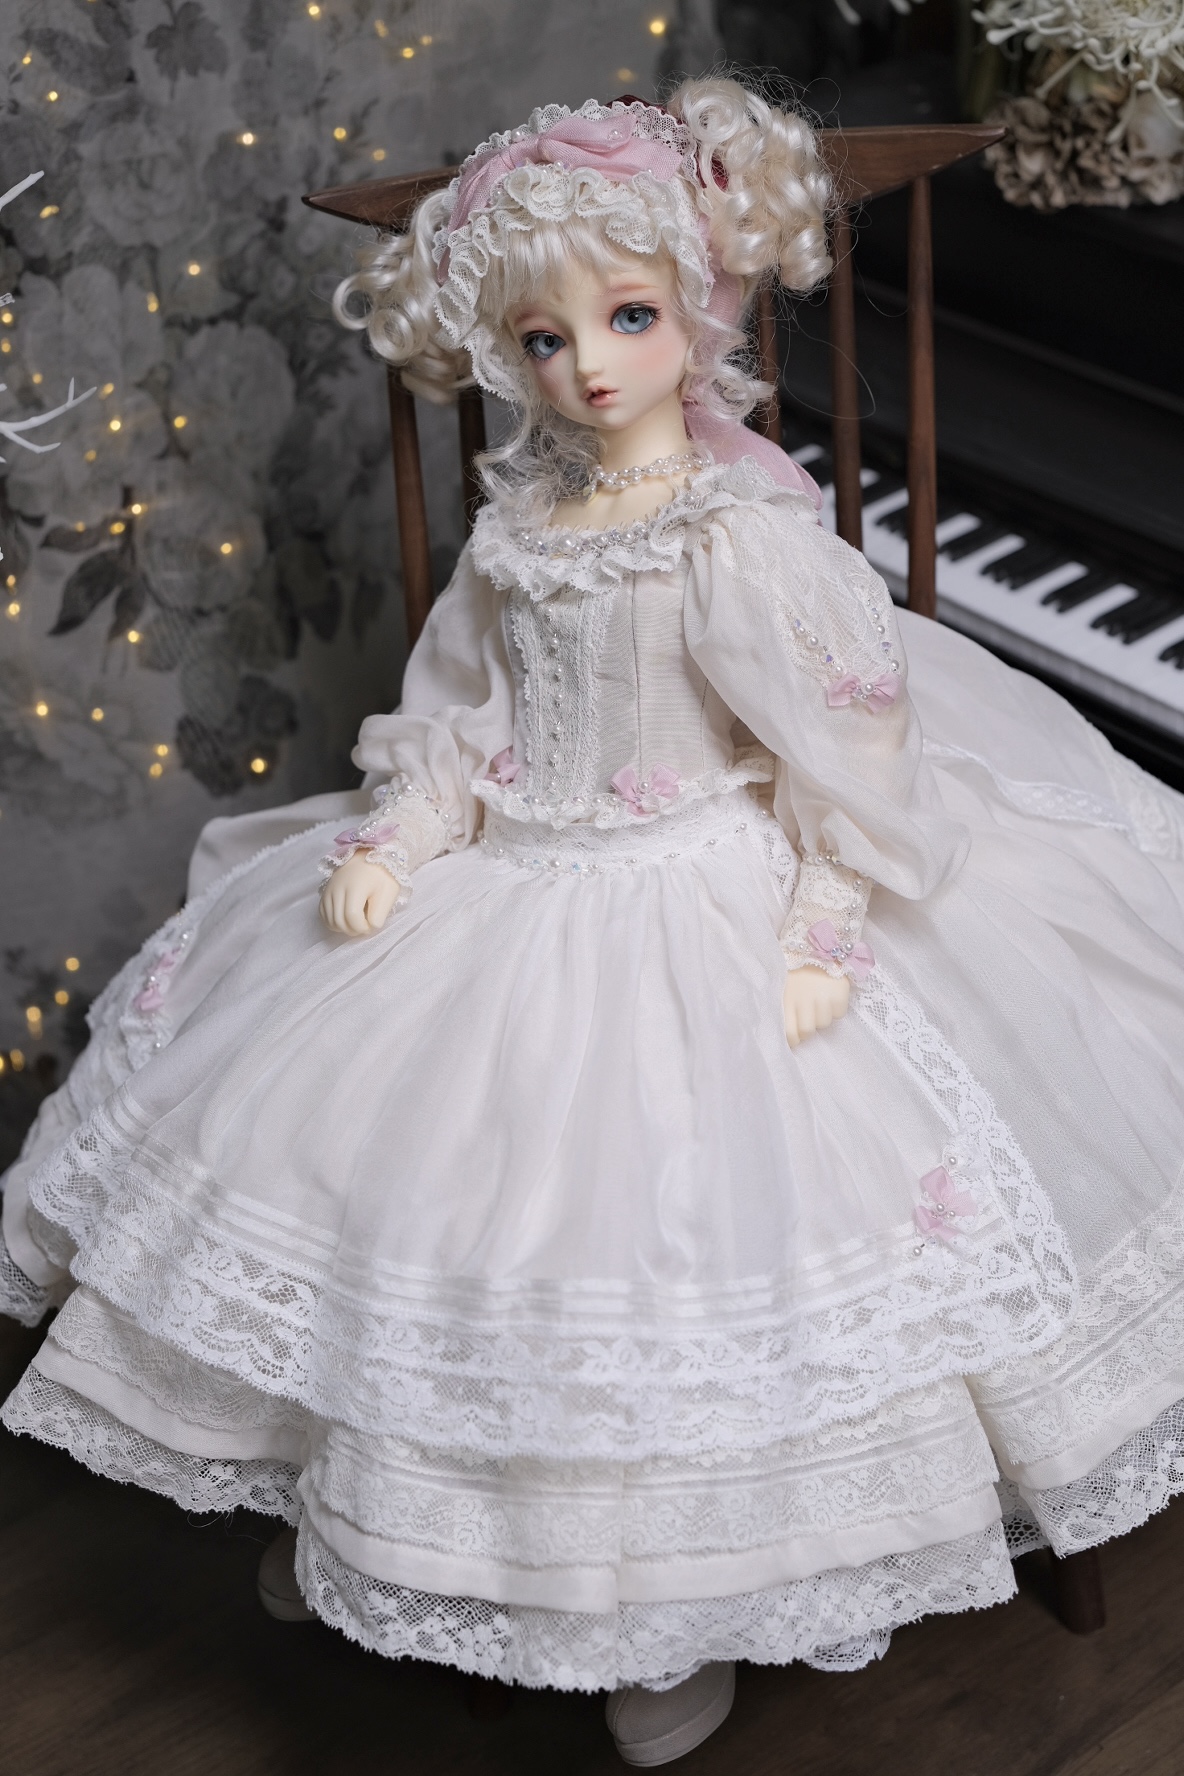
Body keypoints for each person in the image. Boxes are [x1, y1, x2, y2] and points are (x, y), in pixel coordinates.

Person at [3, 79, 1184, 1769]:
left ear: (697, 309)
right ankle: (366, 1514)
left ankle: (663, 1613)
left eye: (628, 319)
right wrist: (404, 832)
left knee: (672, 1246)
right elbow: (461, 713)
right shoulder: (522, 527)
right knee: (394, 1195)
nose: (587, 367)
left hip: (701, 877)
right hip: (516, 870)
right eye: (542, 339)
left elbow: (838, 745)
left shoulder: (735, 538)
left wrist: (823, 916)